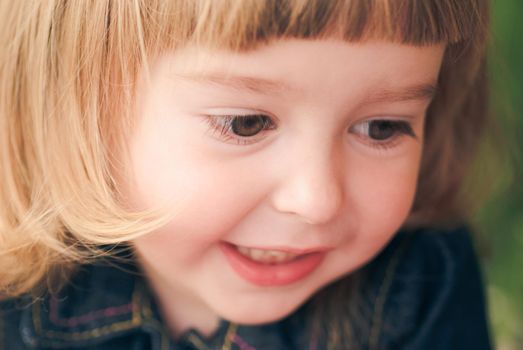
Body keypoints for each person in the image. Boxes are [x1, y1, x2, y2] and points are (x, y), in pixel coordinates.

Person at [0, 1, 493, 349]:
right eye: (246, 123)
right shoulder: (17, 303)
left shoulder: (422, 280)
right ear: (76, 107)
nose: (317, 200)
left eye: (380, 127)